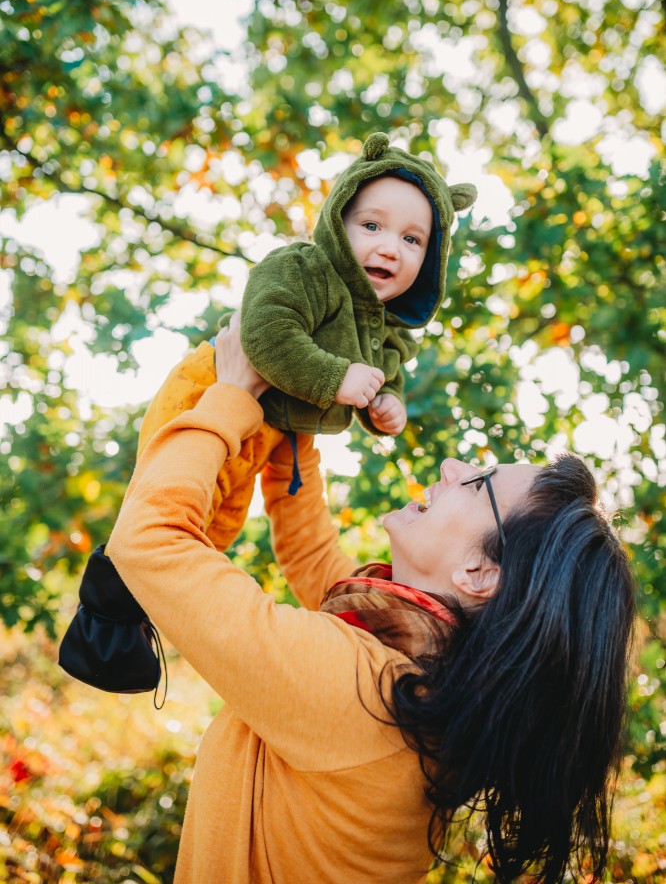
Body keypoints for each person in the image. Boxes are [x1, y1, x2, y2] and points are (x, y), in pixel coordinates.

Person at [106, 319, 636, 884]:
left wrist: (232, 394)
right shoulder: (418, 681)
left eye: (478, 481)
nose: (452, 467)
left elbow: (148, 542)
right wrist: (296, 420)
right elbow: (316, 563)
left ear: (480, 571)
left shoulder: (356, 694)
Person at [137, 131, 477, 550]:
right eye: (372, 225)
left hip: (270, 431)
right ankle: (124, 589)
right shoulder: (304, 270)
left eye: (412, 239)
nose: (390, 248)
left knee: (217, 530)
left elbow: (381, 372)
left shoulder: (386, 325)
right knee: (168, 507)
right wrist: (335, 378)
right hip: (207, 395)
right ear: (338, 222)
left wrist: (386, 403)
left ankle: (157, 606)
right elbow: (265, 334)